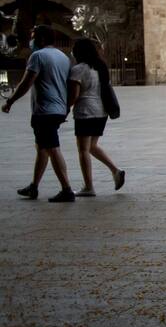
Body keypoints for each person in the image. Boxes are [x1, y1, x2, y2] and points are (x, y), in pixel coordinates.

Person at [2, 24, 75, 202]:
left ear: (41, 39)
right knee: (42, 148)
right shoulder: (63, 57)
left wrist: (10, 101)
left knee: (52, 148)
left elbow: (27, 82)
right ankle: (34, 186)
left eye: (33, 37)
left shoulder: (38, 56)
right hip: (58, 108)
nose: (31, 40)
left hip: (45, 111)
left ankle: (67, 189)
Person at [67, 38, 125, 197]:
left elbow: (74, 95)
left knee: (83, 149)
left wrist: (65, 109)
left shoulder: (78, 69)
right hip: (101, 112)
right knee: (92, 146)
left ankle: (88, 186)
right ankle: (116, 171)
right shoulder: (100, 68)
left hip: (85, 112)